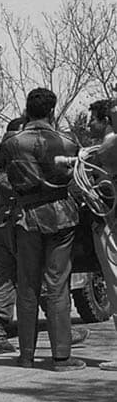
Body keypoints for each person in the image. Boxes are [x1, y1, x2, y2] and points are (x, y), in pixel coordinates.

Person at [0, 88, 84, 371]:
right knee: (57, 285)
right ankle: (61, 358)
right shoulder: (69, 142)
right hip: (61, 217)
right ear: (52, 111)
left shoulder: (12, 142)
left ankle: (26, 356)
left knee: (27, 285)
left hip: (26, 218)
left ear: (26, 110)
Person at [78, 99, 117, 371]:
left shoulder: (108, 146)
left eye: (93, 119)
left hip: (108, 221)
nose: (89, 123)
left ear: (105, 120)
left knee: (115, 279)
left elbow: (94, 173)